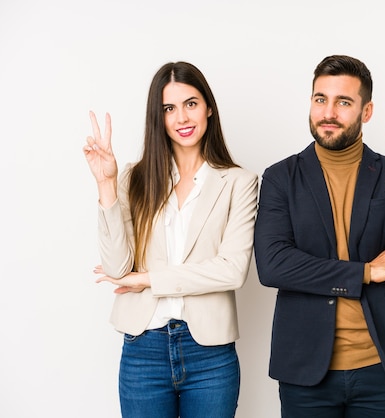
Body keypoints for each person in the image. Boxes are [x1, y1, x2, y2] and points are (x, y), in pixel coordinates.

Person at [253, 55, 385, 417]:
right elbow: (273, 265)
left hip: (382, 368)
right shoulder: (280, 178)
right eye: (320, 99)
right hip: (307, 371)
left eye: (344, 102)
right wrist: (365, 273)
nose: (328, 112)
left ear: (366, 111)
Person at [83, 61, 258, 418]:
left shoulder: (240, 182)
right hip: (143, 349)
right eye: (169, 108)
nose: (182, 117)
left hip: (209, 353)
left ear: (208, 107)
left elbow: (232, 271)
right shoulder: (132, 178)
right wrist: (106, 185)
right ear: (159, 118)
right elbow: (118, 267)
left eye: (191, 103)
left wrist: (148, 279)